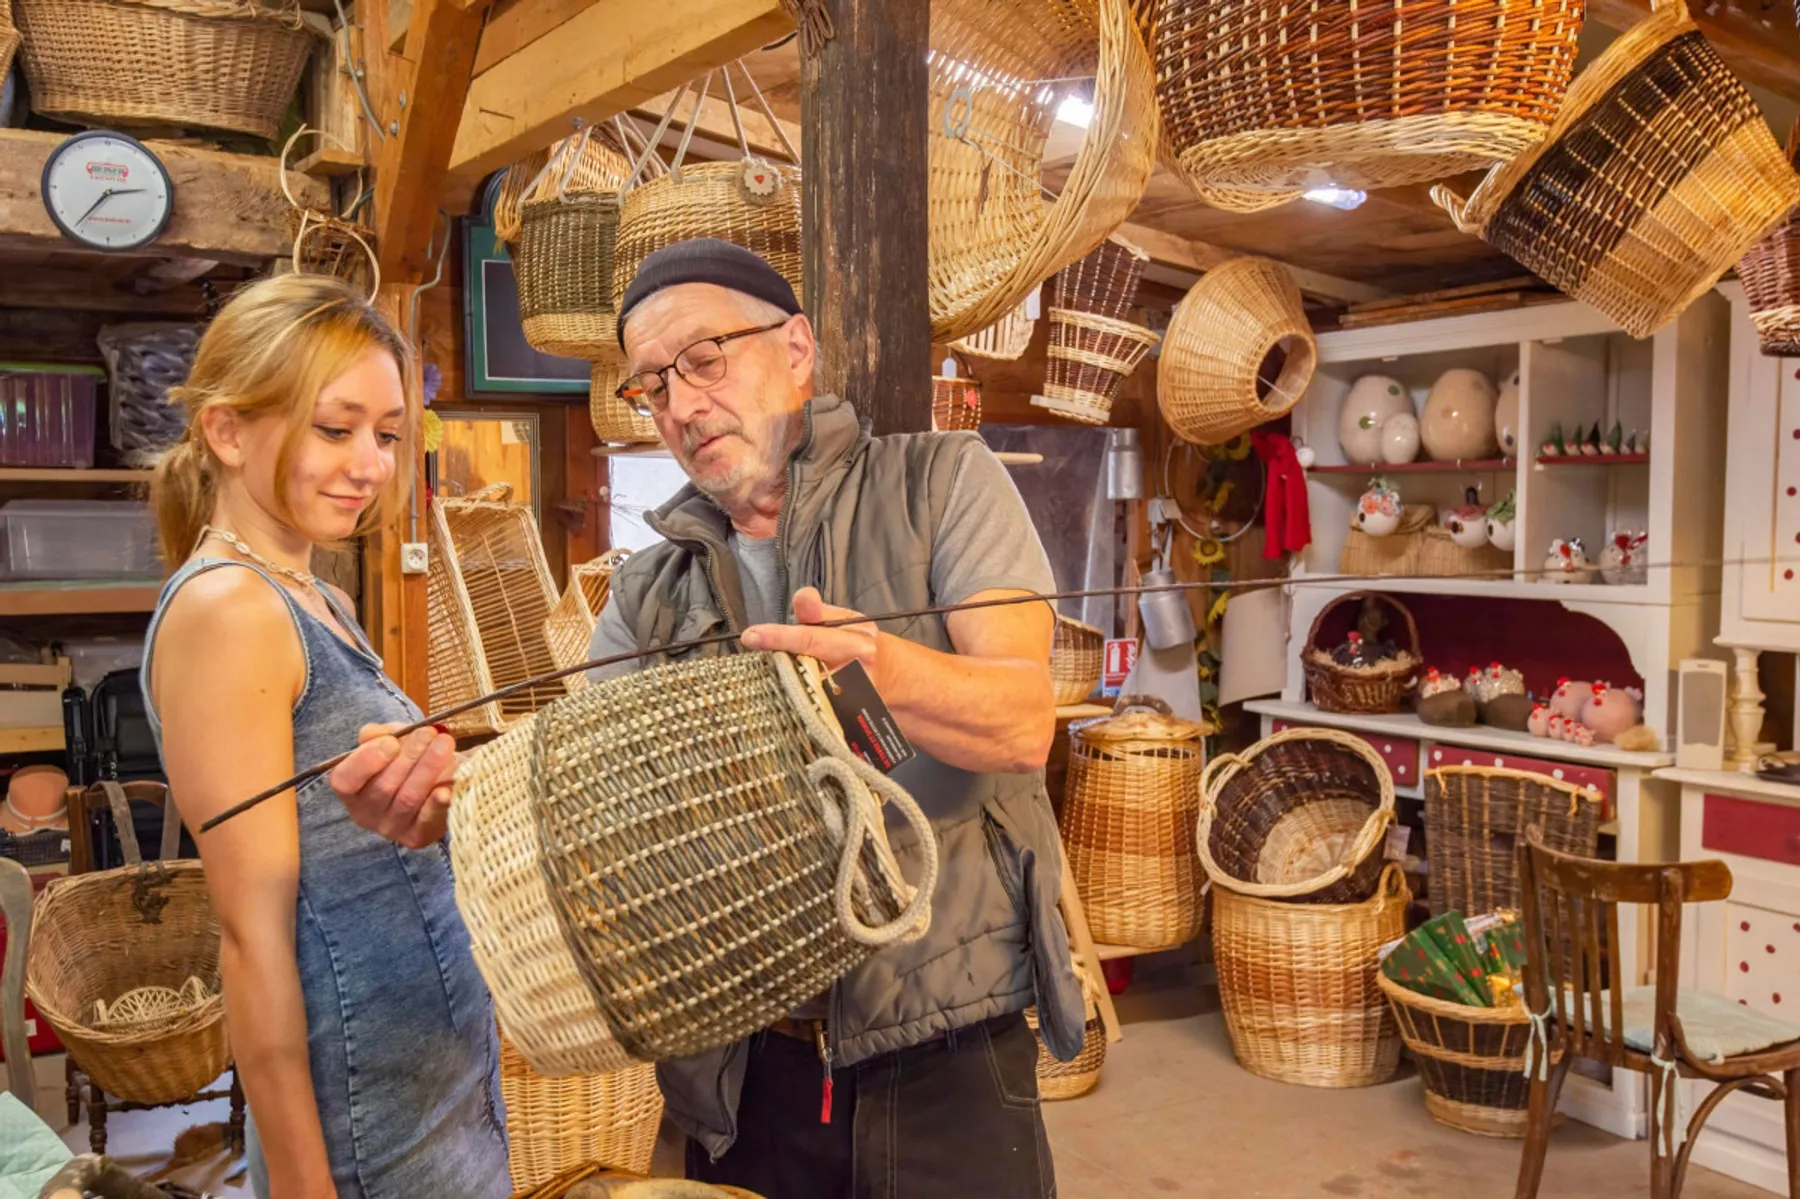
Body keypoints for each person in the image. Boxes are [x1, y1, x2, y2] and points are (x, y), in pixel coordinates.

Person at [585, 238, 1086, 1198]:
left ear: (797, 349)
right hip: (742, 1067)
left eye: (703, 358)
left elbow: (1023, 721)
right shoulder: (647, 590)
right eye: (653, 385)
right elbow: (596, 806)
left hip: (946, 1044)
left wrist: (882, 670)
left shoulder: (942, 483)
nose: (681, 405)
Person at [142, 274, 511, 1199]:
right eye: (335, 429)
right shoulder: (229, 611)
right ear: (228, 432)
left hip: (436, 1077)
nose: (370, 464)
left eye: (386, 434)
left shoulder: (322, 599)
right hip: (366, 1117)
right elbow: (252, 935)